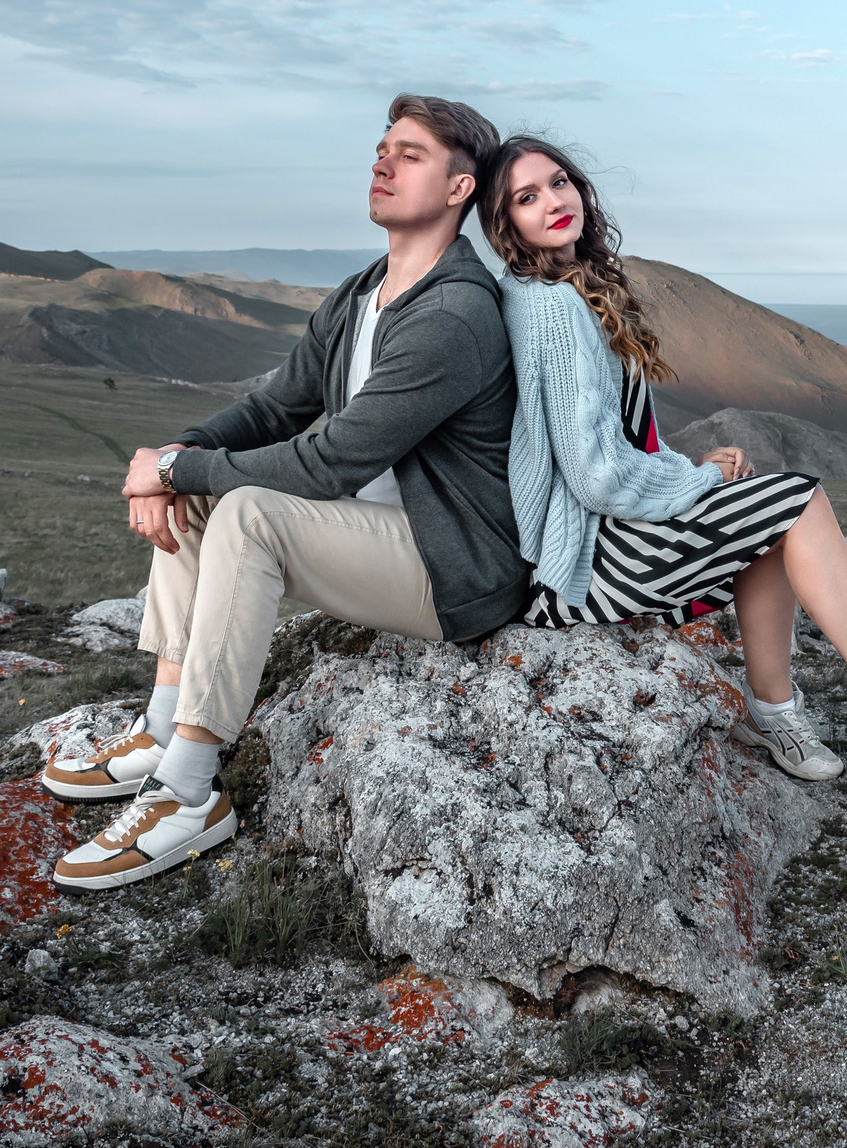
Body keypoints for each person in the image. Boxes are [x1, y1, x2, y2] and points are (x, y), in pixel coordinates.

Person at [42, 96, 532, 890]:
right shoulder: (361, 292)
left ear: (458, 190)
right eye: (382, 148)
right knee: (209, 490)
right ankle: (163, 729)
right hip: (364, 540)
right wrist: (183, 452)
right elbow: (275, 408)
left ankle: (189, 791)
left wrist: (169, 473)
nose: (382, 163)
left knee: (245, 509)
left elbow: (329, 462)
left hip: (451, 569)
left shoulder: (456, 314)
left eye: (409, 155)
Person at [479, 136, 847, 780]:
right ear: (506, 225)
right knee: (797, 500)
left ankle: (774, 711)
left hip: (597, 537)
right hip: (585, 561)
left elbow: (610, 435)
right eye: (528, 198)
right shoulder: (551, 307)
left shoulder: (560, 288)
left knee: (766, 519)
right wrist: (697, 477)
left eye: (559, 182)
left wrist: (687, 465)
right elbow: (595, 476)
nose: (554, 201)